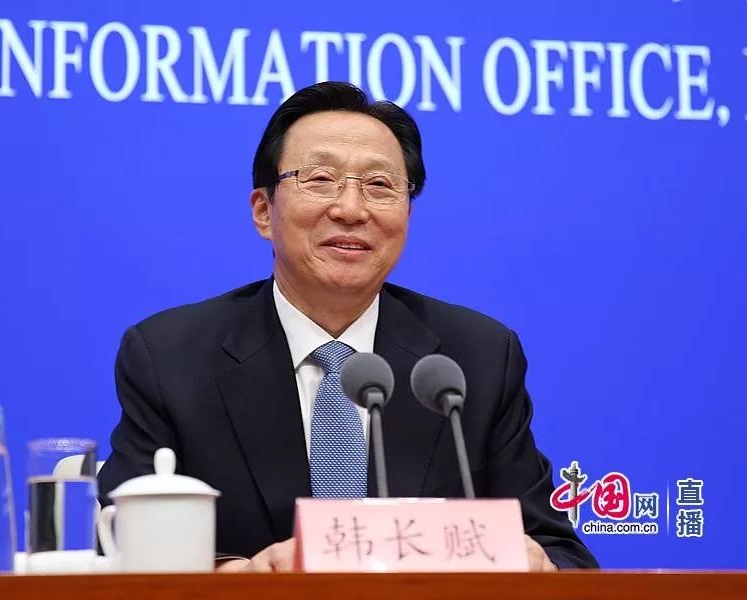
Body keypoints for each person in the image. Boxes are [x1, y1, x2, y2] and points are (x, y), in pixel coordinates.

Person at [97, 81, 598, 572]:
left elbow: (563, 555)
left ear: (408, 212)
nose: (351, 210)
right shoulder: (170, 356)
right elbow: (114, 550)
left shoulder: (476, 357)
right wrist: (238, 576)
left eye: (380, 185)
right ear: (264, 211)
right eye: (320, 179)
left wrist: (540, 568)